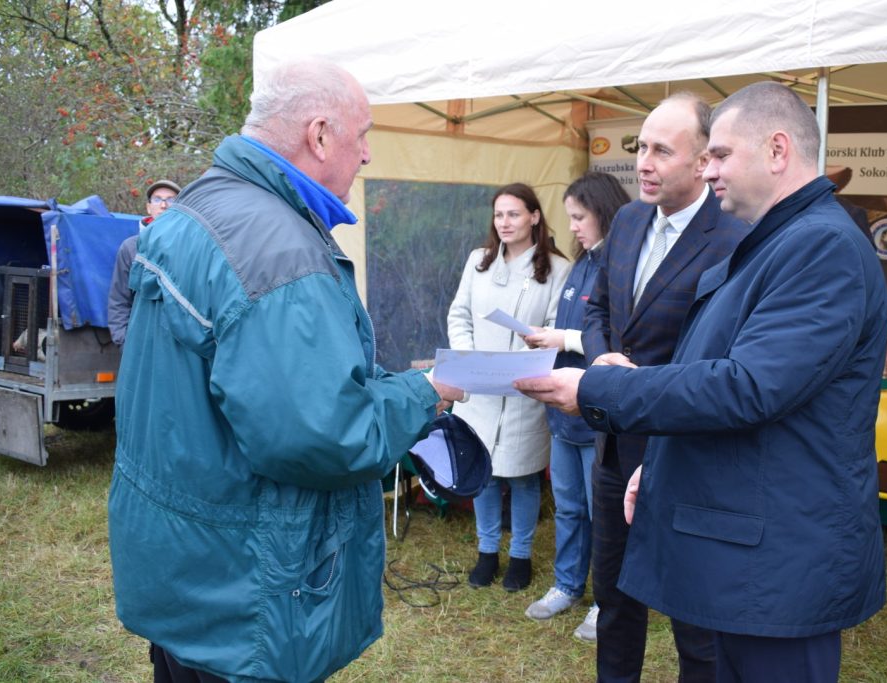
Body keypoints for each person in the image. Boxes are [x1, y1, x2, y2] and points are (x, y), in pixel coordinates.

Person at [516, 81, 887, 683]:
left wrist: (592, 391)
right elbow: (718, 372)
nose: (707, 170)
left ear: (776, 150)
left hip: (778, 569)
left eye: (718, 155)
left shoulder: (819, 246)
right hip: (753, 552)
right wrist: (657, 466)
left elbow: (745, 387)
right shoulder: (781, 240)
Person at [107, 58, 463, 683]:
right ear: (320, 135)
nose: (368, 156)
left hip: (184, 563)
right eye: (363, 137)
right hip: (243, 592)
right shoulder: (280, 250)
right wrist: (423, 392)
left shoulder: (196, 209)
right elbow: (324, 435)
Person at [580, 93, 746, 681]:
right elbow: (597, 309)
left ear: (703, 162)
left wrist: (638, 384)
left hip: (683, 457)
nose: (642, 163)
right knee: (615, 601)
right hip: (613, 450)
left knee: (693, 621)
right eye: (639, 147)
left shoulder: (734, 237)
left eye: (659, 151)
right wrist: (604, 365)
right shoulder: (625, 221)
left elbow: (722, 353)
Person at [521, 172, 629, 641]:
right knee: (568, 506)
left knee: (600, 510)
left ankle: (608, 601)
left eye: (580, 218)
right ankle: (567, 584)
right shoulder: (582, 262)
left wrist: (561, 337)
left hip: (597, 416)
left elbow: (618, 340)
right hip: (563, 415)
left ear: (604, 212)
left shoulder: (622, 264)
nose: (574, 228)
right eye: (570, 218)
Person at [447, 182, 570, 592]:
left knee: (522, 476)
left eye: (513, 214)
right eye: (499, 215)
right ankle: (486, 551)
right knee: (484, 473)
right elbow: (459, 315)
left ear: (534, 216)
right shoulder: (477, 261)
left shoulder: (556, 268)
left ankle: (520, 555)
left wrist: (536, 343)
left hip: (525, 388)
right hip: (480, 387)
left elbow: (556, 327)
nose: (504, 222)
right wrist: (469, 358)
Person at [107, 178, 180, 345]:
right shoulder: (131, 247)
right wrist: (123, 341)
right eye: (157, 199)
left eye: (171, 200)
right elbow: (119, 300)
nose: (163, 205)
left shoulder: (191, 247)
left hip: (177, 344)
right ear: (148, 207)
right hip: (139, 341)